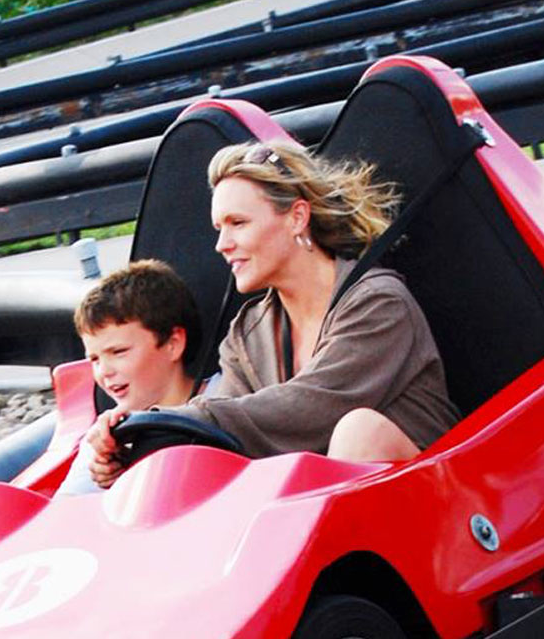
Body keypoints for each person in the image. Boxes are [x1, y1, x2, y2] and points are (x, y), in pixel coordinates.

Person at [87, 140, 461, 489]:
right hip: (316, 519)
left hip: (439, 507)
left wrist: (188, 417)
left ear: (297, 217)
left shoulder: (378, 304)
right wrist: (134, 447)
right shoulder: (246, 334)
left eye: (238, 223)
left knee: (358, 432)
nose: (222, 245)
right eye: (219, 228)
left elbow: (312, 409)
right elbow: (222, 439)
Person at [56, 258, 210, 495]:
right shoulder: (106, 437)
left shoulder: (228, 395)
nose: (104, 371)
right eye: (95, 359)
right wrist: (115, 472)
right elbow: (66, 513)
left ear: (172, 344)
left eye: (118, 352)